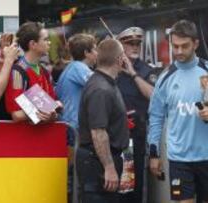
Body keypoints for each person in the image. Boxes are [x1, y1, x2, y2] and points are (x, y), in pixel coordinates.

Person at [148, 20, 208, 203]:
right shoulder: (165, 78)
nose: (179, 51)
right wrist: (154, 154)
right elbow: (156, 117)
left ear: (196, 44)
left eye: (185, 46)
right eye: (175, 46)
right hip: (179, 159)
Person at [76, 39, 131, 203]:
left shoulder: (104, 83)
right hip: (97, 163)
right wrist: (109, 167)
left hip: (101, 159)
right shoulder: (101, 89)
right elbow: (98, 132)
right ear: (120, 59)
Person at [116, 26, 157, 203]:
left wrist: (133, 74)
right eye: (130, 44)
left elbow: (154, 96)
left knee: (132, 188)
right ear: (121, 46)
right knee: (116, 189)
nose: (134, 47)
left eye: (137, 44)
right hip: (114, 137)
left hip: (135, 138)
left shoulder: (146, 70)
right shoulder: (113, 69)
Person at [55, 33, 97, 203]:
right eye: (95, 49)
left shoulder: (72, 67)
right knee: (75, 177)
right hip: (74, 130)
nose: (97, 53)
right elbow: (99, 86)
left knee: (71, 177)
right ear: (86, 52)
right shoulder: (80, 68)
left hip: (71, 128)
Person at [3, 22, 59, 122]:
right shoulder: (17, 72)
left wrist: (53, 113)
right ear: (33, 44)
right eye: (45, 39)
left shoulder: (45, 72)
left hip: (44, 134)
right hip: (24, 136)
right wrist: (41, 111)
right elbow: (16, 114)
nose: (49, 42)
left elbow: (52, 106)